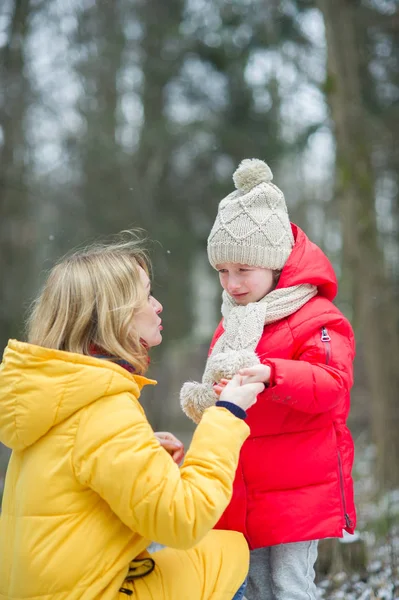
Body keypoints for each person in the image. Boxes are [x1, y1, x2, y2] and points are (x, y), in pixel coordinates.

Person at [0, 233, 266, 600]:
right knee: (228, 552)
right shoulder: (102, 408)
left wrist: (144, 452)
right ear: (115, 313)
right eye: (146, 295)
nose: (157, 306)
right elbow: (183, 520)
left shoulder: (56, 392)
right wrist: (227, 413)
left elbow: (74, 469)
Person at [180, 159, 356, 600]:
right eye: (222, 271)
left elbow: (332, 383)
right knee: (254, 585)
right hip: (247, 482)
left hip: (297, 481)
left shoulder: (316, 315)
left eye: (243, 270)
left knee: (290, 585)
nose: (232, 283)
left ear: (274, 263)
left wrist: (272, 373)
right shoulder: (235, 321)